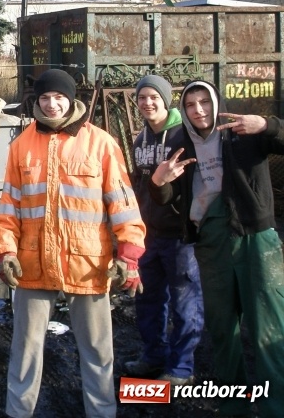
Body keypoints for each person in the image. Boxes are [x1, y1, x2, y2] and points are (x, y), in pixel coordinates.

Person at [0, 68, 146, 418]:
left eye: (58, 97)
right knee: (25, 351)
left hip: (90, 267)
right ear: (37, 101)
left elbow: (123, 204)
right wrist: (5, 252)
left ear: (71, 99)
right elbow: (8, 209)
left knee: (97, 352)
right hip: (32, 267)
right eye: (45, 98)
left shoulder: (101, 144)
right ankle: (18, 414)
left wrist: (130, 257)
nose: (51, 104)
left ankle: (101, 413)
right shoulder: (20, 147)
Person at [150, 80, 284, 418]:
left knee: (268, 325)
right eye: (191, 105)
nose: (198, 111)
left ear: (215, 102)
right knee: (223, 328)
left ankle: (275, 407)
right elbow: (168, 197)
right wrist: (159, 182)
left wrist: (267, 125)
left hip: (255, 235)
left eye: (204, 102)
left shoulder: (242, 131)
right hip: (210, 239)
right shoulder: (180, 142)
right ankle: (234, 405)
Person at [125, 75, 204, 386]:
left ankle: (182, 368)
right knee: (148, 301)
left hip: (179, 236)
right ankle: (153, 357)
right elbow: (137, 186)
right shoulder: (139, 140)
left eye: (153, 96)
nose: (147, 103)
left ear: (167, 99)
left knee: (185, 302)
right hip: (148, 235)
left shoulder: (184, 137)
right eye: (142, 97)